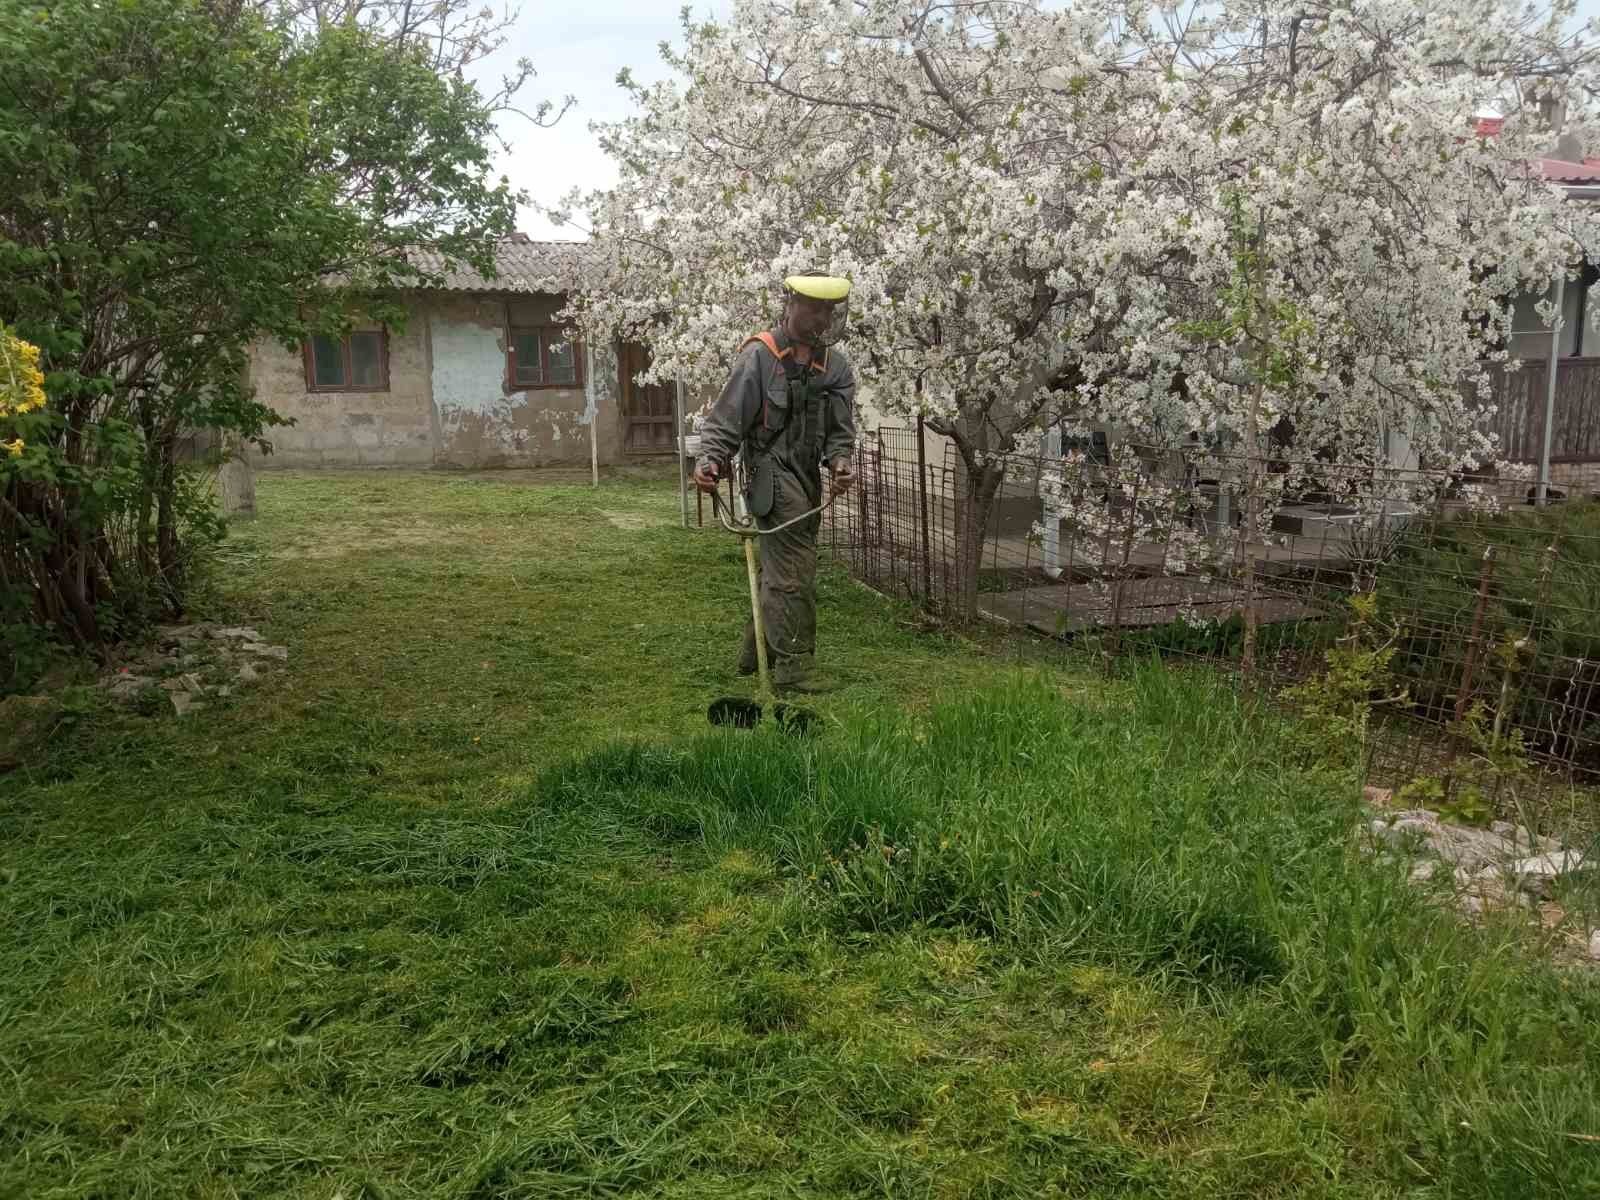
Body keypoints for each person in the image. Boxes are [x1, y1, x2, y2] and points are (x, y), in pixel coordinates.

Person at [692, 274, 858, 694]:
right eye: (813, 307)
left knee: (777, 567)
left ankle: (755, 654)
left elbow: (840, 432)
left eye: (828, 310)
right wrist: (711, 460)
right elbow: (727, 418)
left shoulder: (834, 367)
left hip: (807, 478)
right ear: (790, 303)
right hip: (771, 474)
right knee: (794, 571)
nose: (821, 318)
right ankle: (794, 666)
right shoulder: (760, 356)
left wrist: (840, 462)